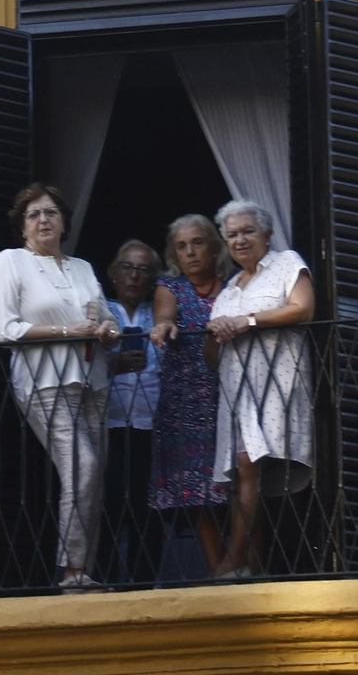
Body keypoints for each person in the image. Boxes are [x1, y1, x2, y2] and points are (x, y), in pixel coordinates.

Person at [0, 183, 120, 588]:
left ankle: (85, 569)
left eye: (50, 213)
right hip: (44, 382)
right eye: (33, 215)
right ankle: (72, 571)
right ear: (23, 227)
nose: (43, 220)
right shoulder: (11, 262)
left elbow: (104, 311)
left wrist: (110, 328)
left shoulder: (81, 268)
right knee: (84, 467)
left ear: (63, 222)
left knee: (94, 477)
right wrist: (65, 330)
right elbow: (4, 329)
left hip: (93, 380)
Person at [207, 199, 315, 578]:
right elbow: (212, 356)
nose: (240, 240)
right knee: (246, 469)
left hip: (276, 383)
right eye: (232, 235)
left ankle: (232, 562)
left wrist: (245, 321)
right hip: (237, 390)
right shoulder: (228, 291)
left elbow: (303, 309)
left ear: (267, 234)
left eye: (248, 231)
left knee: (249, 465)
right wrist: (216, 331)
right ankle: (247, 565)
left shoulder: (287, 263)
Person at [149, 214, 232, 576]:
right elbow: (164, 317)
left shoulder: (235, 285)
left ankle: (249, 563)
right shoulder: (171, 287)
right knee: (199, 494)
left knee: (245, 483)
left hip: (232, 397)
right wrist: (165, 326)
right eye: (181, 246)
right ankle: (220, 570)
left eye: (197, 242)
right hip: (185, 405)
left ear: (214, 247)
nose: (190, 252)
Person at [96, 239, 165, 584]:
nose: (135, 276)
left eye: (144, 269)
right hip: (108, 423)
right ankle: (104, 578)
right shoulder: (101, 311)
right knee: (108, 502)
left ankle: (144, 581)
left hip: (151, 426)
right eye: (127, 267)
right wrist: (114, 365)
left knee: (147, 506)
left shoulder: (160, 313)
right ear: (112, 274)